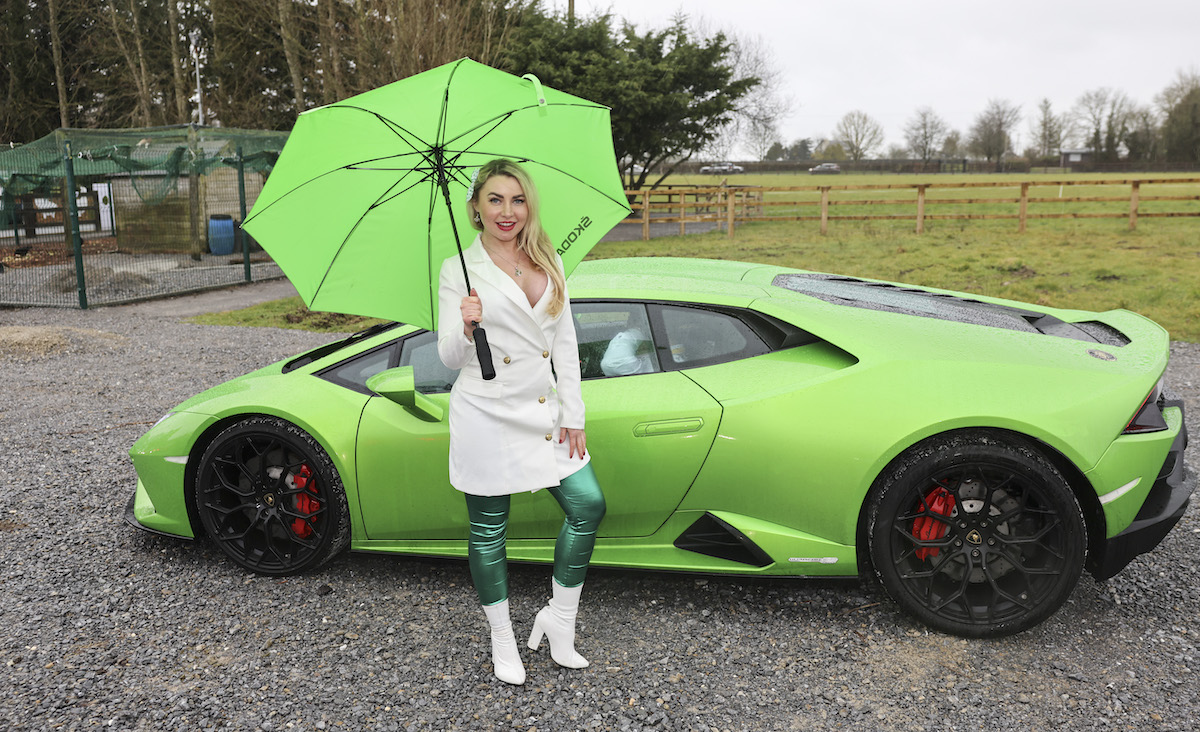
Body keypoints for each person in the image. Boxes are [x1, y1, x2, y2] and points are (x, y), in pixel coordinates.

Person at [436, 158, 606, 686]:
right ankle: (501, 638)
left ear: (528, 205)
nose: (507, 211)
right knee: (489, 530)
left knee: (588, 506)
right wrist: (465, 327)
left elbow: (567, 344)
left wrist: (574, 415)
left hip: (544, 412)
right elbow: (447, 357)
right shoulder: (457, 270)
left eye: (517, 200)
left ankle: (558, 621)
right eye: (495, 200)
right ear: (475, 208)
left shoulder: (547, 256)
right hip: (486, 413)